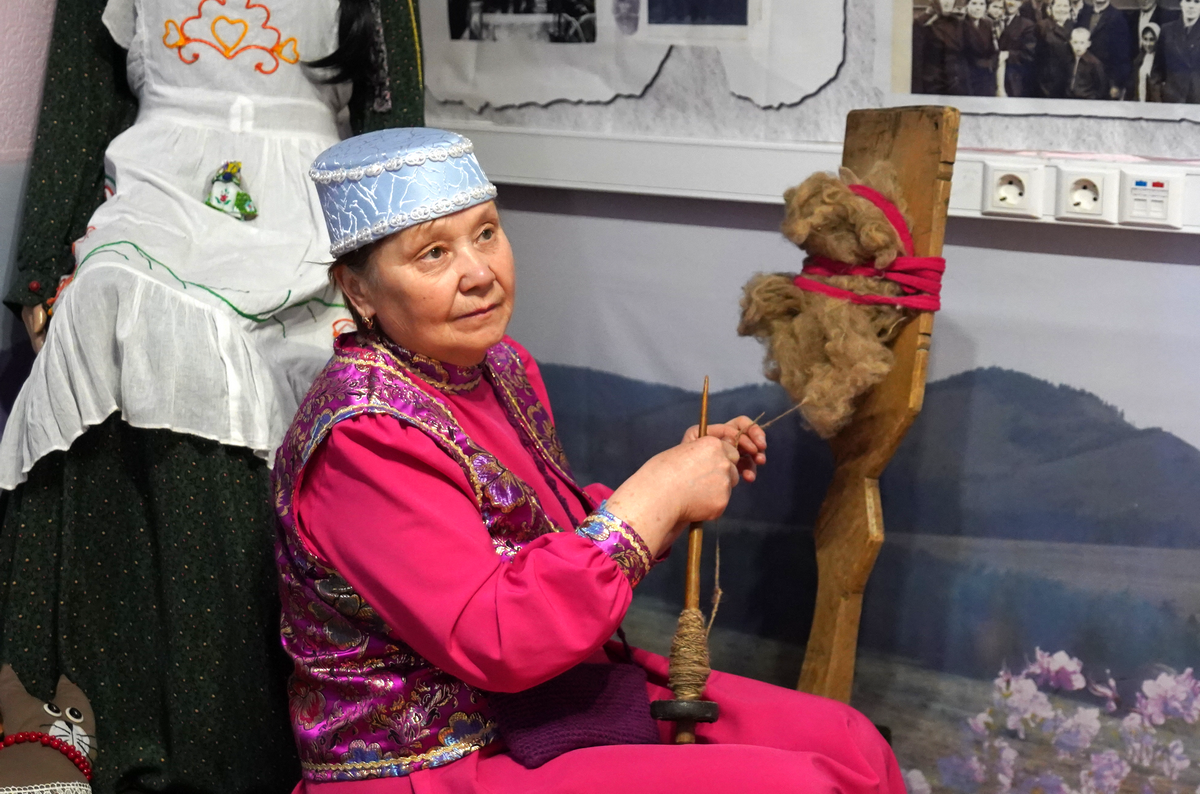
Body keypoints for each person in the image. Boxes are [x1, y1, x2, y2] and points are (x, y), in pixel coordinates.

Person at [274, 126, 906, 791]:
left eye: (486, 233)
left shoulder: (498, 366)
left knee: (850, 741)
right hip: (439, 760)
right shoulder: (362, 436)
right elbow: (498, 637)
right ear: (359, 290)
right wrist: (655, 498)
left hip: (545, 704)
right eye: (433, 253)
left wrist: (675, 488)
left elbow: (538, 538)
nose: (480, 273)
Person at [0, 0, 422, 790]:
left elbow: (395, 109)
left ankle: (251, 734)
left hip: (315, 209)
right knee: (120, 317)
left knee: (297, 366)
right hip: (155, 194)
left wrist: (405, 269)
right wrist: (38, 269)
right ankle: (93, 709)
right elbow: (79, 94)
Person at [1078, 0, 1133, 98]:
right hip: (1083, 81)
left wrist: (1116, 84)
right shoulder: (1084, 14)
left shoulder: (1118, 18)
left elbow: (1122, 55)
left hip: (1106, 82)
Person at [913, 0, 969, 94]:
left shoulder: (957, 22)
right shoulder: (923, 22)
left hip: (956, 84)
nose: (948, 1)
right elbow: (917, 61)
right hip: (932, 85)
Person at [1159, 0, 1200, 102]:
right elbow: (1158, 68)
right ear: (1181, 3)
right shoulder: (1167, 30)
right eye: (1188, 0)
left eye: (1197, 1)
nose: (1191, 6)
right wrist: (1158, 95)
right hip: (1172, 97)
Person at [1036, 0, 1077, 97]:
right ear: (1051, 8)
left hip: (1068, 83)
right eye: (1058, 5)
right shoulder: (1042, 26)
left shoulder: (1074, 27)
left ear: (1070, 8)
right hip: (1046, 84)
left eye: (1065, 6)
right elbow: (1036, 58)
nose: (1061, 9)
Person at [997, 0, 1038, 95]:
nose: (1012, 3)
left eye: (1017, 0)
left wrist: (1008, 54)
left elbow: (1028, 55)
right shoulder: (988, 21)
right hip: (987, 77)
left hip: (1012, 80)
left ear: (1021, 3)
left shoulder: (1027, 25)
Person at [964, 0, 1000, 94]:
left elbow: (994, 51)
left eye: (981, 4)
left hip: (987, 77)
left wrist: (991, 64)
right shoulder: (960, 24)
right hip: (967, 78)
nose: (978, 8)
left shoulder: (988, 24)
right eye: (974, 3)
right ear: (967, 4)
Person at [1066, 26, 1110, 97]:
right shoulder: (1068, 60)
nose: (1078, 46)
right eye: (1075, 42)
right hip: (1069, 98)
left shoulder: (1094, 63)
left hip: (1086, 98)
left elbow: (1102, 86)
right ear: (1070, 42)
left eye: (1082, 43)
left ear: (1088, 44)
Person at [1127, 22, 1167, 100]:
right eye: (1145, 39)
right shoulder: (1139, 60)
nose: (1148, 44)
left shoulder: (1162, 61)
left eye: (1151, 39)